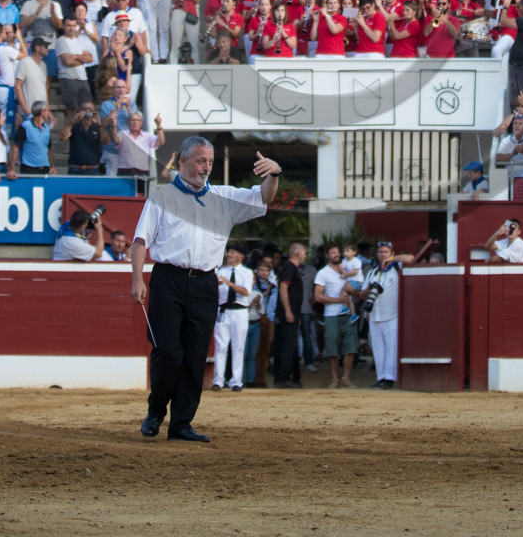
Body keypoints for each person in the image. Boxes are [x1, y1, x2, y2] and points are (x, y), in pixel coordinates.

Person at [131, 138, 281, 442]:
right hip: (168, 279)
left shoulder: (224, 197)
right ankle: (156, 411)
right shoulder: (161, 198)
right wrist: (137, 279)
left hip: (204, 283)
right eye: (201, 161)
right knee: (168, 352)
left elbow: (264, 197)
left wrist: (274, 173)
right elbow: (140, 242)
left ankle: (181, 423)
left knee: (195, 355)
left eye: (210, 162)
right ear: (183, 162)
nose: (207, 167)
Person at [355, 240, 415, 389]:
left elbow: (411, 258)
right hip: (375, 314)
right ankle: (381, 377)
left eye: (386, 252)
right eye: (381, 252)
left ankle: (390, 378)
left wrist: (392, 260)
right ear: (376, 254)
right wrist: (367, 292)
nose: (383, 254)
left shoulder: (396, 268)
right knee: (378, 349)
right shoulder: (372, 272)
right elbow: (362, 294)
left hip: (392, 314)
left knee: (391, 347)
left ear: (391, 253)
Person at [313, 243, 359, 389]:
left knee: (350, 346)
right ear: (327, 255)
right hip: (332, 314)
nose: (336, 254)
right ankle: (334, 378)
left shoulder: (348, 269)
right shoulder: (323, 273)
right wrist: (338, 300)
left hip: (347, 313)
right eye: (332, 252)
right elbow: (318, 296)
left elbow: (358, 287)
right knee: (332, 347)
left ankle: (345, 377)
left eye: (337, 252)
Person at [212, 244, 254, 392]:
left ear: (240, 256)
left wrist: (228, 283)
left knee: (238, 347)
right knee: (221, 346)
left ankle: (236, 381)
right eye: (229, 252)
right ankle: (218, 380)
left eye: (232, 252)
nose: (228, 254)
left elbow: (245, 292)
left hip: (239, 311)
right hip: (223, 310)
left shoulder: (247, 273)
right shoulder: (221, 272)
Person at [273, 241, 307, 389]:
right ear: (298, 253)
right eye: (304, 253)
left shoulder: (290, 268)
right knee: (289, 345)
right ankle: (283, 376)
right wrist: (288, 310)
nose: (305, 256)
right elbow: (283, 288)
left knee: (290, 345)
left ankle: (293, 377)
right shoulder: (289, 268)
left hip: (292, 313)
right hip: (288, 313)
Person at [9, 100, 56, 175]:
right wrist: (12, 169)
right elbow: (15, 148)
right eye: (47, 110)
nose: (48, 113)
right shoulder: (25, 127)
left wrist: (52, 166)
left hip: (45, 169)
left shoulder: (47, 128)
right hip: (29, 168)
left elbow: (48, 149)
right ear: (42, 112)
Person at [65, 101, 104, 175]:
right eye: (85, 109)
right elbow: (63, 136)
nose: (87, 112)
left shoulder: (97, 127)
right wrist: (72, 122)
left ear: (94, 112)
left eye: (90, 110)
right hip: (75, 169)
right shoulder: (74, 126)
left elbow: (106, 141)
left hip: (93, 169)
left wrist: (99, 123)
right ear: (80, 111)